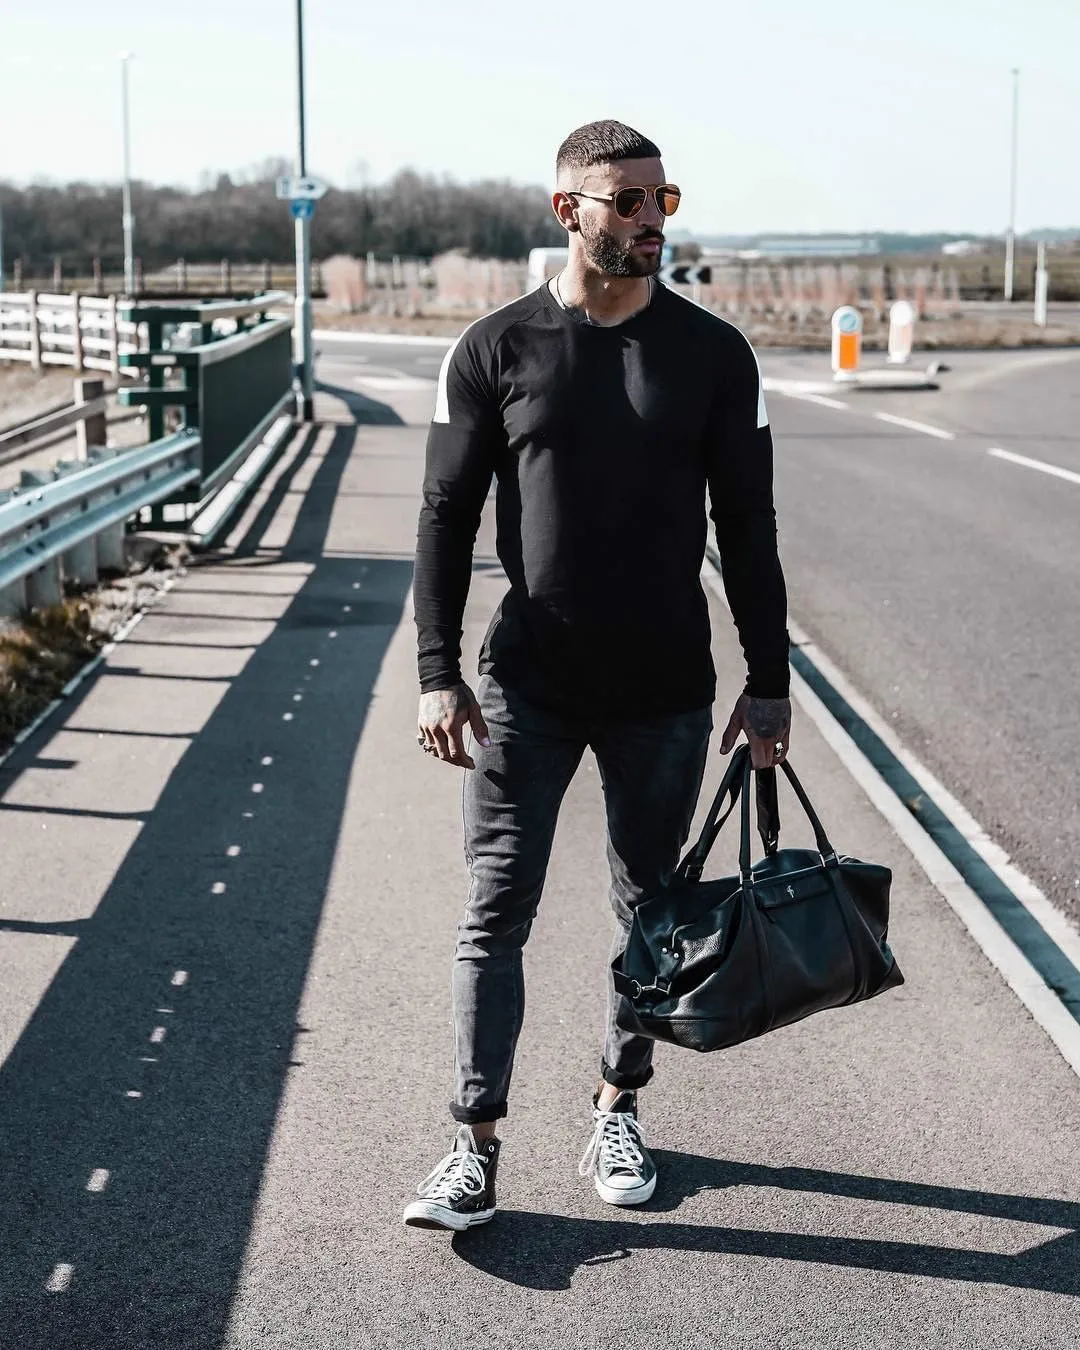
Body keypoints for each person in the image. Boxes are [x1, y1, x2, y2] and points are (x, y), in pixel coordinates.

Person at [404, 119, 791, 1232]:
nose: (651, 220)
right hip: (526, 684)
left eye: (663, 199)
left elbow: (749, 525)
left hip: (664, 690)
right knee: (495, 911)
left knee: (652, 915)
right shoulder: (495, 348)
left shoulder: (715, 354)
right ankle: (473, 1143)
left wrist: (769, 680)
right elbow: (443, 518)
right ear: (566, 210)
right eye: (626, 200)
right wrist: (437, 672)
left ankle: (618, 1106)